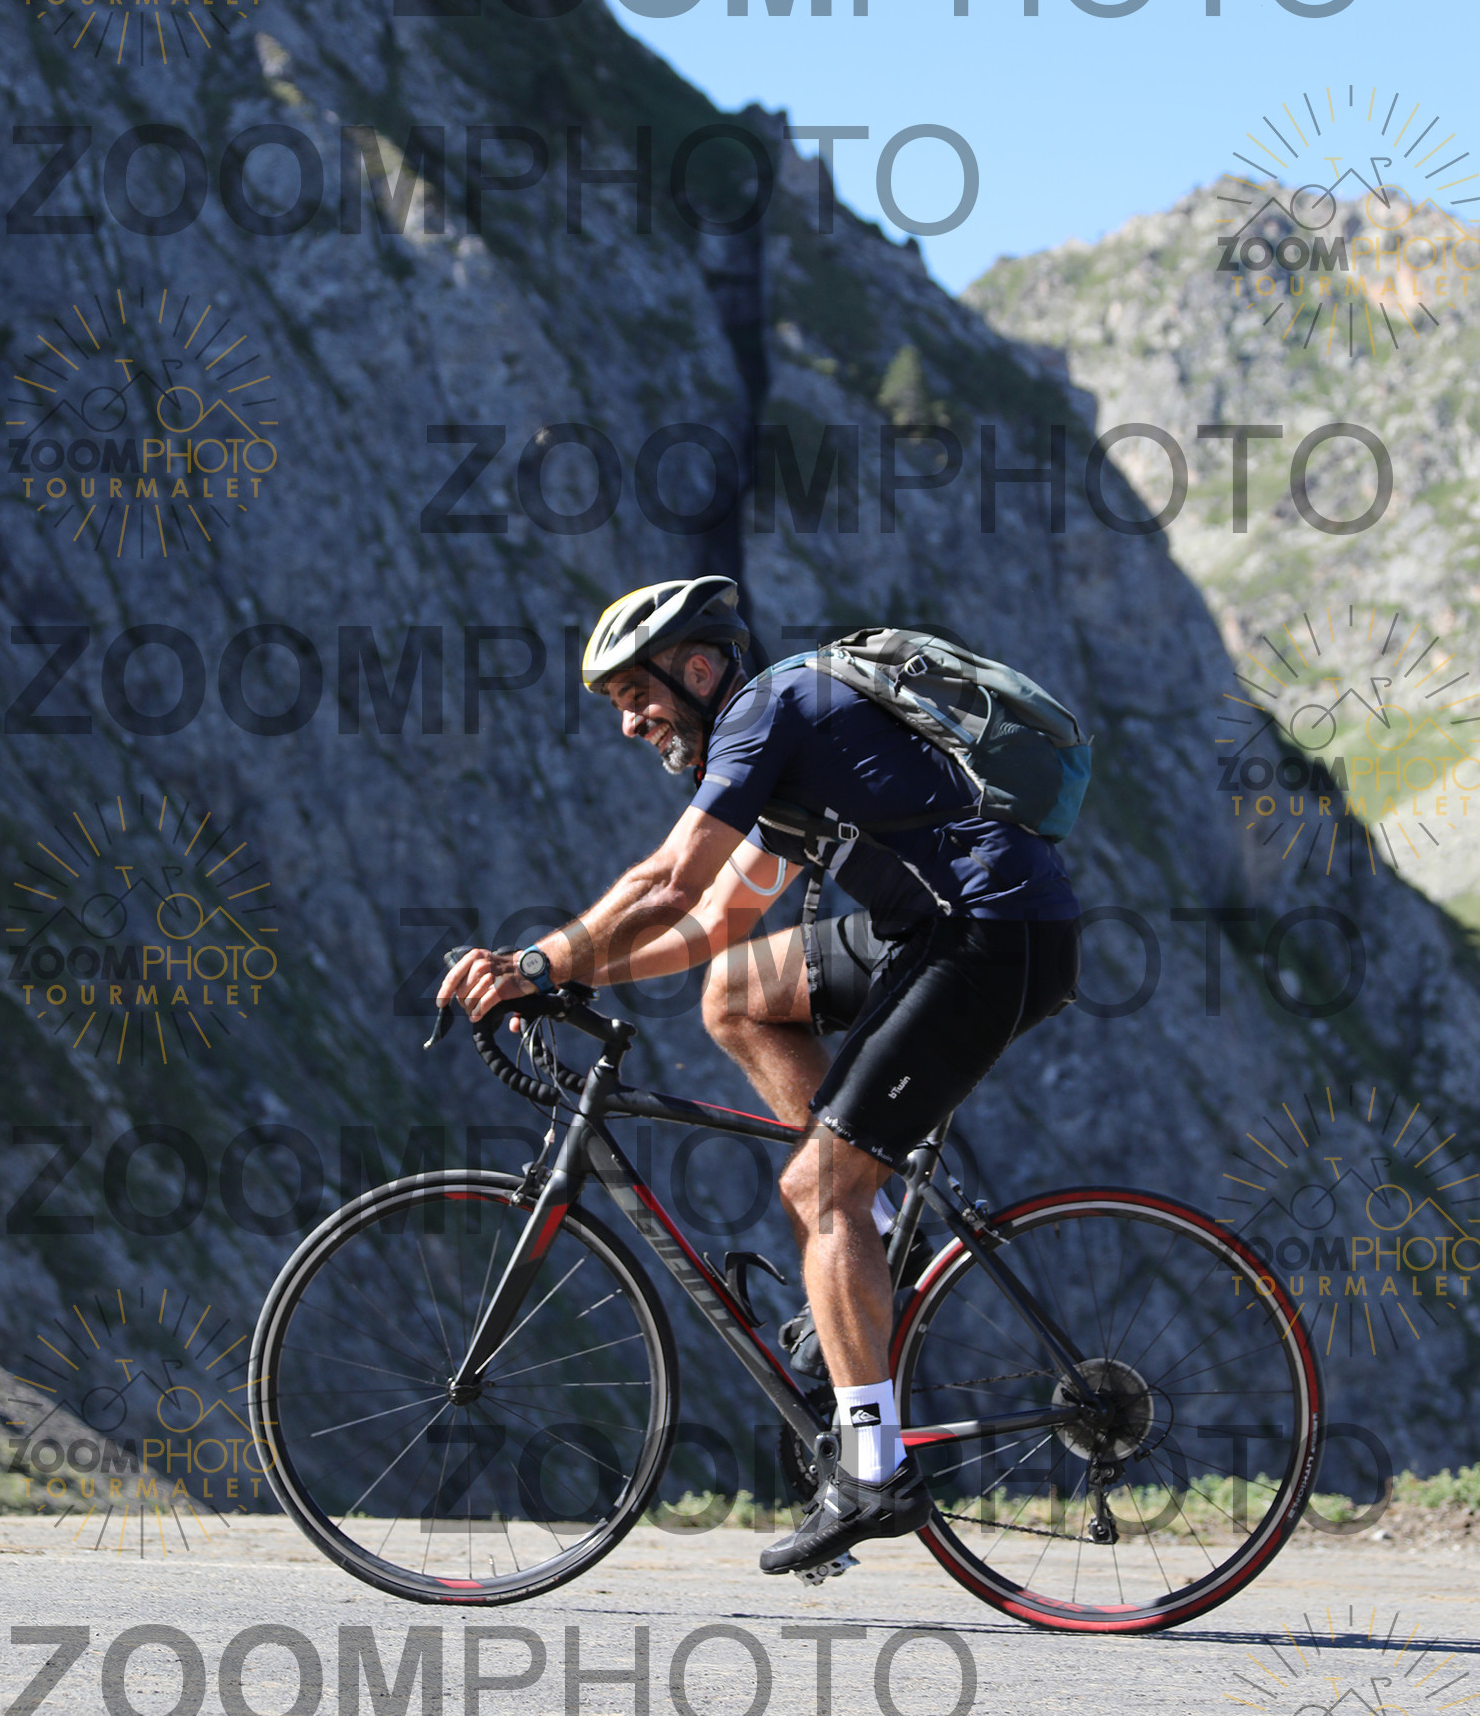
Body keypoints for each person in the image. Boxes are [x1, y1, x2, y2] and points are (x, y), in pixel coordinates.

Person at [438, 576, 1082, 1574]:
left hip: (987, 937)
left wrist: (537, 960)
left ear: (697, 669)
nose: (628, 724)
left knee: (817, 1188)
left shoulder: (768, 711)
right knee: (736, 993)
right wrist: (569, 975)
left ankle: (872, 1469)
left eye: (635, 696)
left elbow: (668, 883)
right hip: (948, 928)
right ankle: (875, 1232)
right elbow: (712, 926)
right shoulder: (791, 744)